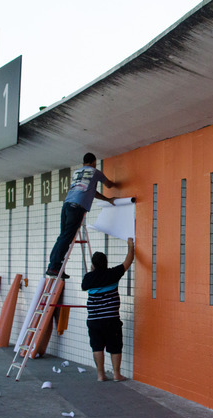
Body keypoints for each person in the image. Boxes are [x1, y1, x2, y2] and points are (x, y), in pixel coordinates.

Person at [46, 153, 117, 279]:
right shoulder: (95, 172)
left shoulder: (77, 172)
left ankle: (53, 266)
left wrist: (107, 199)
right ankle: (54, 267)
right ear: (94, 162)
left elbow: (91, 192)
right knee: (66, 238)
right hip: (77, 207)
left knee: (63, 237)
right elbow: (109, 185)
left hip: (67, 205)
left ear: (84, 163)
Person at [81, 237, 134, 382]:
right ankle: (116, 375)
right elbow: (128, 261)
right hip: (111, 319)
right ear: (106, 263)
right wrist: (130, 245)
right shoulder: (113, 274)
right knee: (115, 346)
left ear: (93, 265)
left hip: (94, 320)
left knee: (97, 346)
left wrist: (93, 271)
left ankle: (100, 375)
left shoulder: (88, 278)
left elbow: (84, 287)